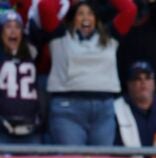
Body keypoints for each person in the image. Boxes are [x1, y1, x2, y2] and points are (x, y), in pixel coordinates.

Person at [40, 0, 137, 146]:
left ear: (96, 18)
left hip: (103, 110)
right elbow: (45, 7)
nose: (86, 17)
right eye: (80, 14)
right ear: (72, 18)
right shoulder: (59, 36)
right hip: (68, 109)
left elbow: (129, 10)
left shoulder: (109, 37)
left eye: (90, 13)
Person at [0, 9, 42, 144]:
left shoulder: (32, 54)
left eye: (17, 27)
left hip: (30, 128)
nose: (13, 31)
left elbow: (46, 31)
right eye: (8, 27)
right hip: (2, 130)